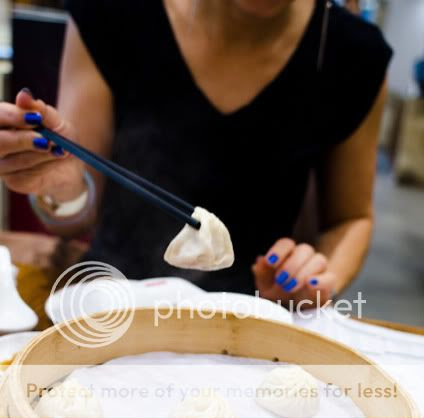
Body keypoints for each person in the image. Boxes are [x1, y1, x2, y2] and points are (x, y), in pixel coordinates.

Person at [0, 0, 392, 307]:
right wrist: (63, 189)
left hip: (252, 315)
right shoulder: (113, 10)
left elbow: (351, 218)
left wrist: (315, 275)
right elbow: (77, 206)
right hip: (111, 301)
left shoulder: (353, 53)